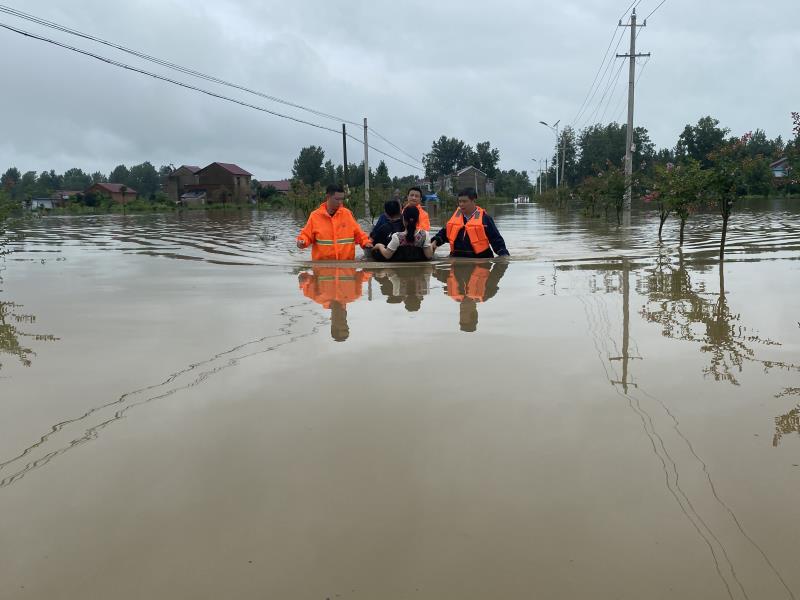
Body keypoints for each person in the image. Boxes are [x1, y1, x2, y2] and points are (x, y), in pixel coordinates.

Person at [296, 184, 372, 260]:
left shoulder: (347, 214)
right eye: (337, 199)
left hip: (346, 266)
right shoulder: (315, 216)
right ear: (328, 197)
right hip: (322, 267)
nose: (340, 202)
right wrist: (302, 242)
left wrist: (366, 243)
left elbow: (359, 233)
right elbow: (306, 235)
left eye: (342, 199)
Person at [431, 188, 509, 258]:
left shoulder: (485, 219)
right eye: (459, 201)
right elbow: (444, 233)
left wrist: (503, 254)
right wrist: (435, 241)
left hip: (480, 259)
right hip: (456, 258)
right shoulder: (454, 218)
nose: (461, 204)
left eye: (464, 201)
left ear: (473, 201)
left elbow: (496, 239)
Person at [298, 267, 372, 341]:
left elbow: (303, 275)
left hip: (322, 257)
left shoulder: (315, 296)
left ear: (332, 324)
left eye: (340, 322)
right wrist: (372, 271)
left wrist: (303, 279)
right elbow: (361, 276)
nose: (343, 321)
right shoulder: (355, 295)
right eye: (345, 323)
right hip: (347, 256)